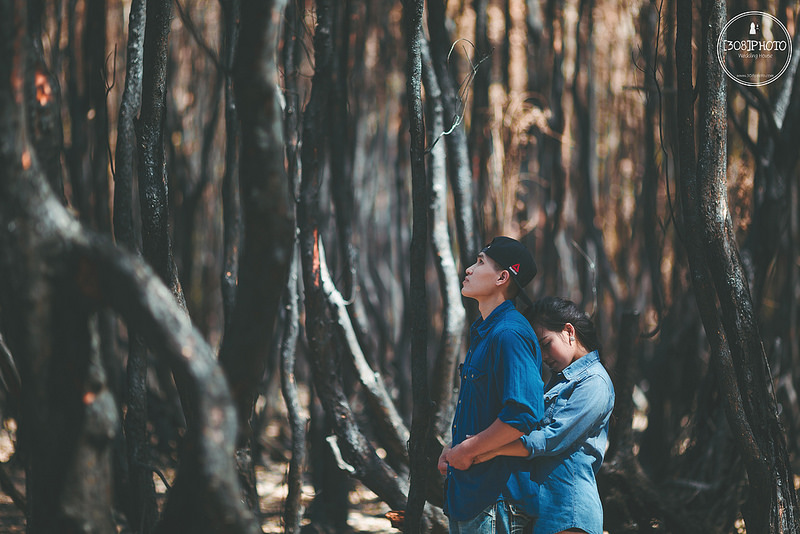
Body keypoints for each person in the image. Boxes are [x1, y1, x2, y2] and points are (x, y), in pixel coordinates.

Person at [472, 297, 615, 534]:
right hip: (543, 511)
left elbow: (551, 438)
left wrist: (491, 448)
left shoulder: (595, 382)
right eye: (537, 350)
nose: (544, 356)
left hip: (569, 512)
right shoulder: (559, 381)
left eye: (546, 344)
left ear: (569, 331)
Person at [438, 236, 544, 534]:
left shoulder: (509, 334)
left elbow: (522, 414)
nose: (469, 269)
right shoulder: (487, 331)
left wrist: (467, 450)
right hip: (473, 496)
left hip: (496, 501)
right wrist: (454, 447)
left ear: (502, 277)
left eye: (480, 262)